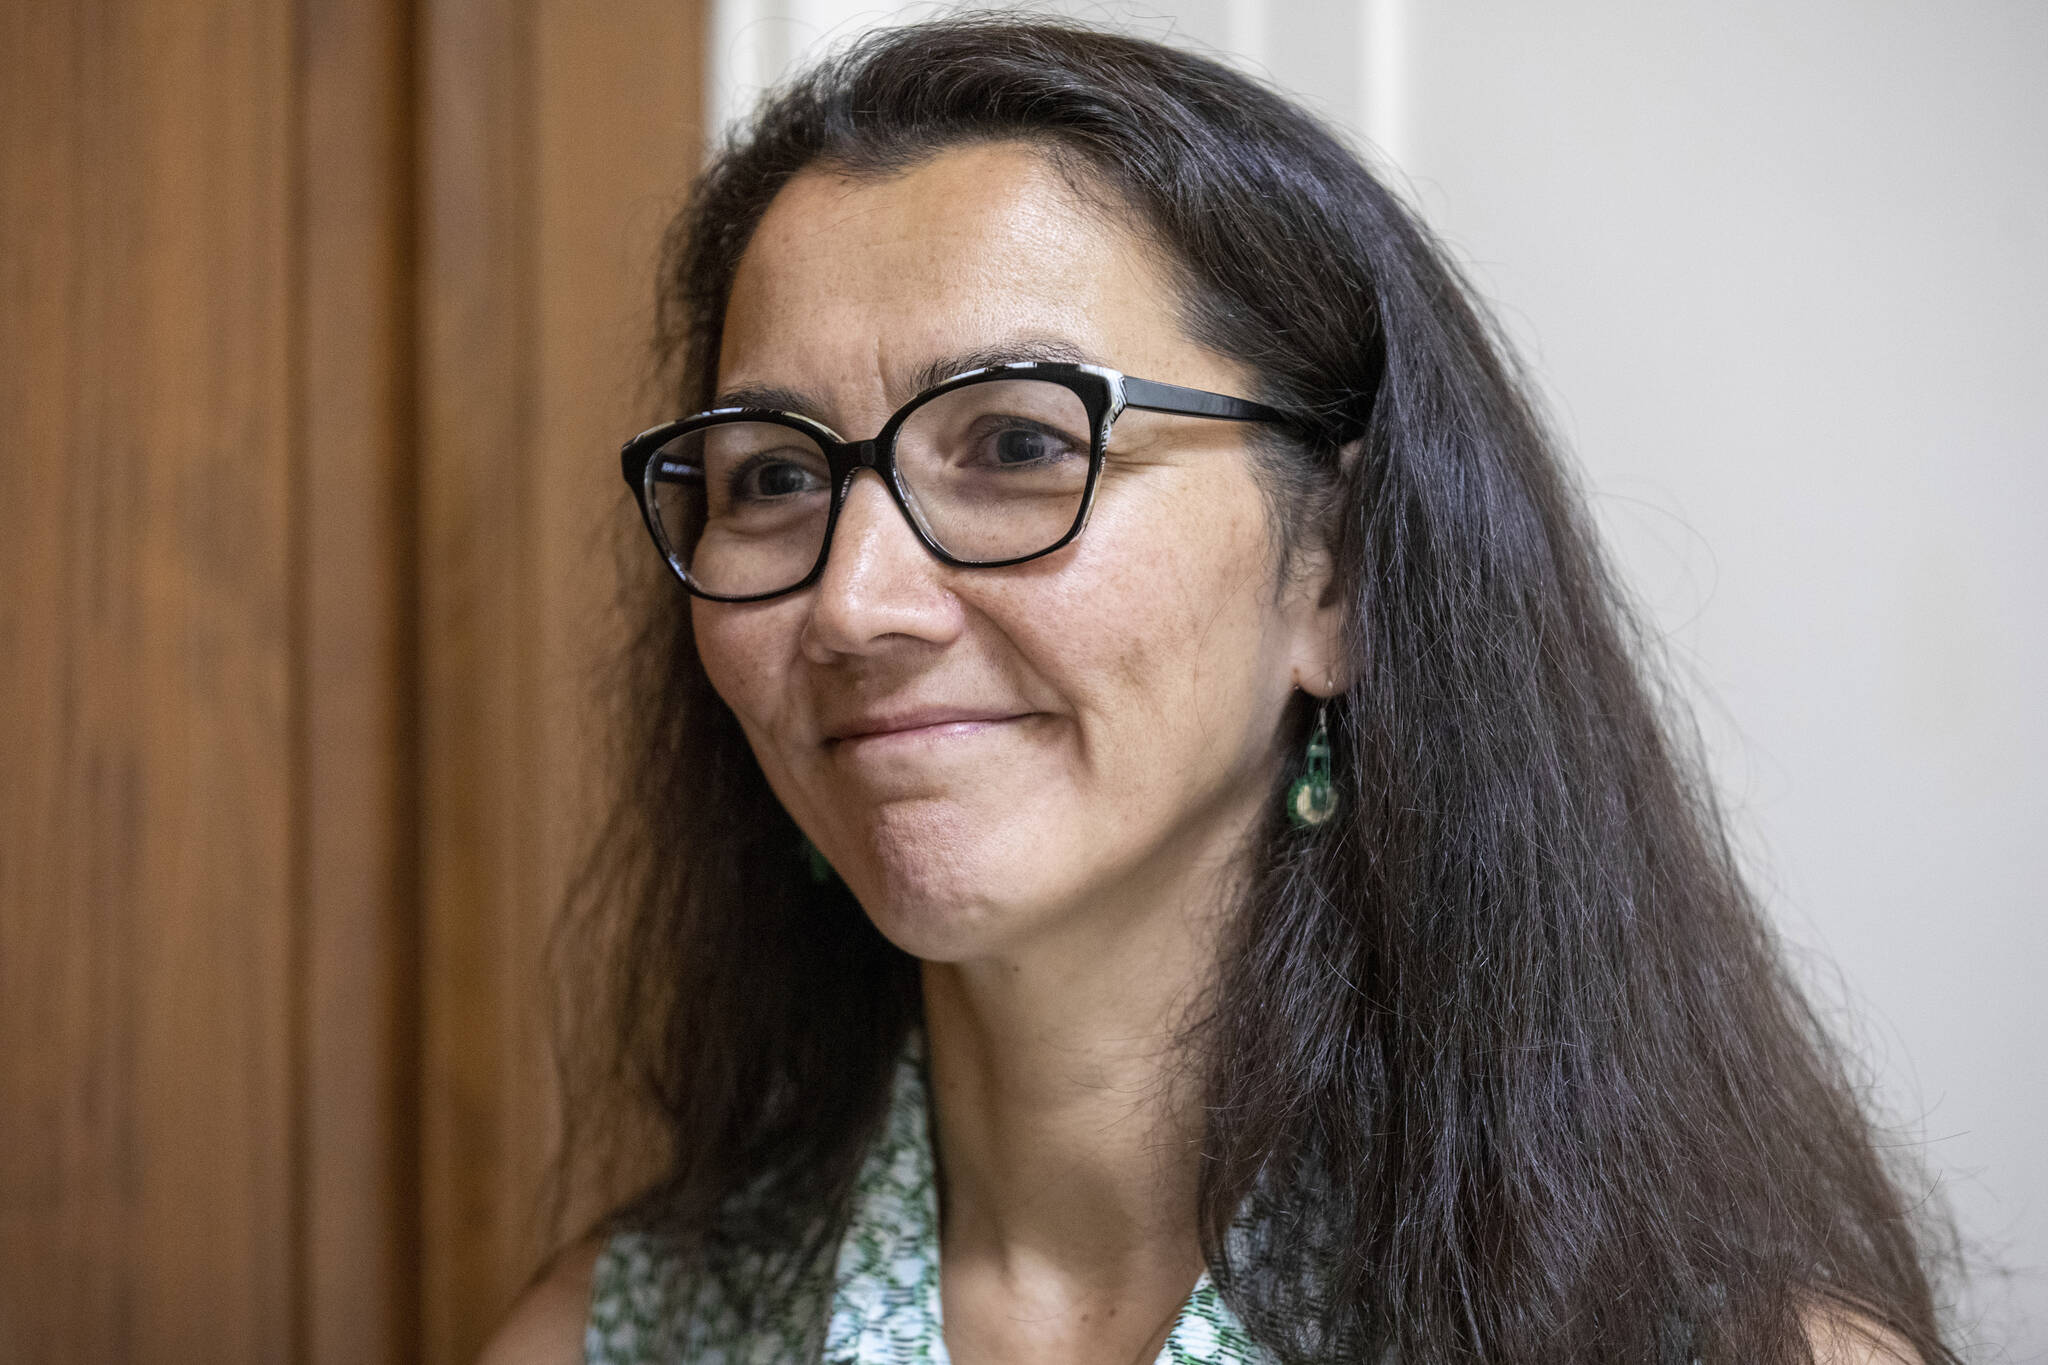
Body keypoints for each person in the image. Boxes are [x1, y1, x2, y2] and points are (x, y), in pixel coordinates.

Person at [482, 17, 1963, 1365]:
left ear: (1332, 569)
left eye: (1015, 445)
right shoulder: (615, 1339)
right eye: (780, 476)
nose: (851, 602)